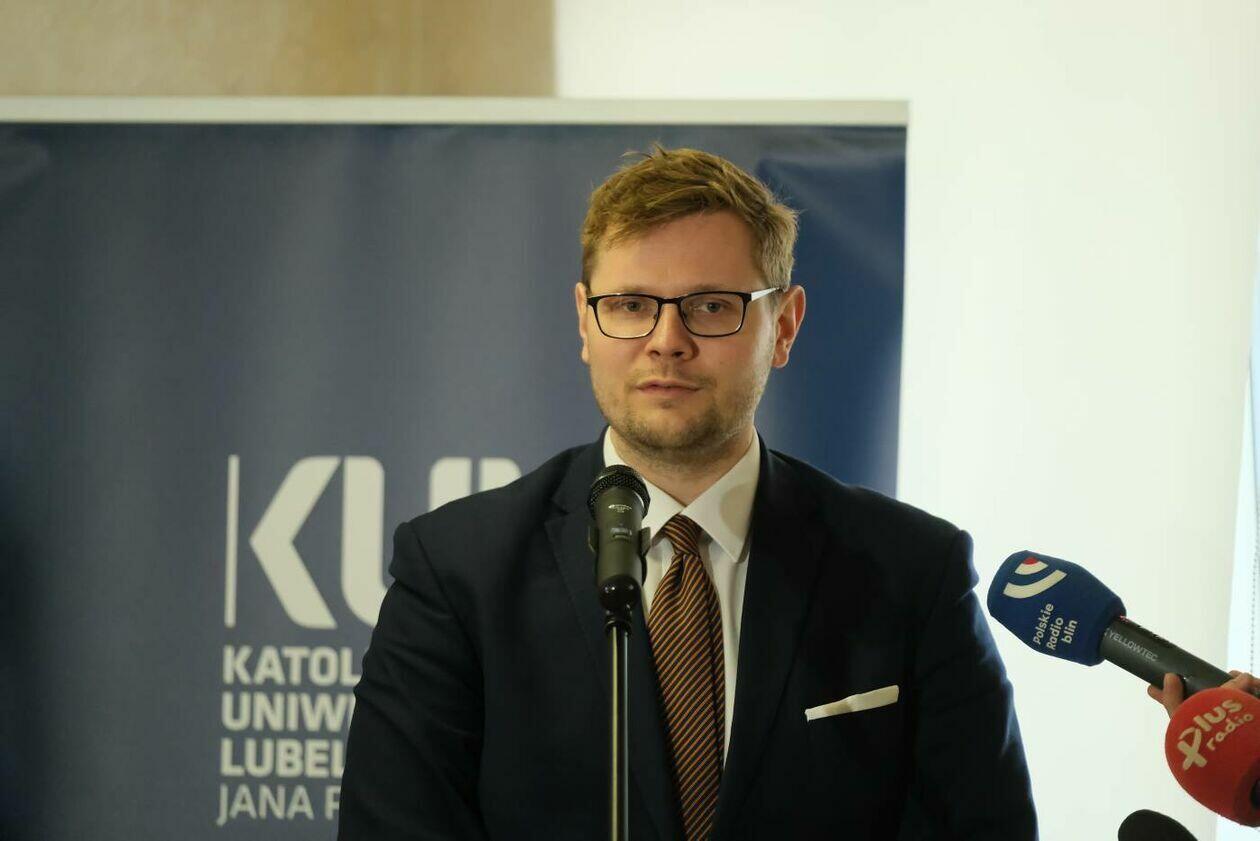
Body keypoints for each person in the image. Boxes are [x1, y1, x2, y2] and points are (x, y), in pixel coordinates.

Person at [338, 146, 1038, 839]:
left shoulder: (914, 573)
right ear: (585, 321)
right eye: (630, 304)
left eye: (710, 305)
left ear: (784, 326)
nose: (666, 340)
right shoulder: (458, 572)